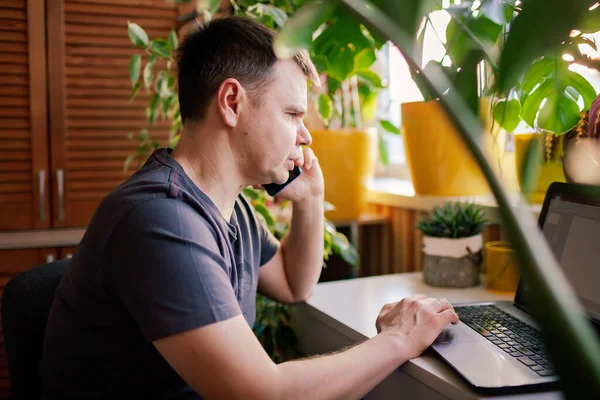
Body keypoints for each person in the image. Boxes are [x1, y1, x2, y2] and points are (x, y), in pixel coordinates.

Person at [39, 16, 459, 400]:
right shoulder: (162, 219)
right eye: (293, 113)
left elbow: (295, 283)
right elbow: (262, 395)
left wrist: (311, 198)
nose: (306, 136)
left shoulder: (228, 206)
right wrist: (400, 338)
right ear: (232, 102)